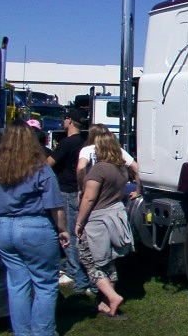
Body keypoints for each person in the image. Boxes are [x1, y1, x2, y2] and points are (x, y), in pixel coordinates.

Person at [0, 120, 70, 336]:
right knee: (45, 284)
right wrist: (63, 230)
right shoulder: (40, 168)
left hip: (4, 227)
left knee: (17, 283)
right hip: (34, 225)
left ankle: (22, 331)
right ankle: (42, 332)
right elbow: (56, 206)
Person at [75, 131, 134, 317]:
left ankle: (112, 296)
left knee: (89, 260)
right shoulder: (121, 169)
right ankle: (106, 302)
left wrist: (79, 221)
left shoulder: (99, 169)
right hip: (114, 218)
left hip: (97, 221)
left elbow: (89, 198)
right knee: (108, 261)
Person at [47, 109, 91, 293]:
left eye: (64, 118)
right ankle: (77, 270)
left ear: (70, 121)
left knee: (69, 235)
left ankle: (77, 276)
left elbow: (48, 163)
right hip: (79, 190)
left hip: (66, 190)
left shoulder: (66, 143)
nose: (63, 121)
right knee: (78, 233)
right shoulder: (84, 143)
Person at [76, 123, 141, 200]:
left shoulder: (87, 150)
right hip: (113, 193)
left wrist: (81, 187)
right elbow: (136, 168)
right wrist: (138, 191)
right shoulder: (118, 150)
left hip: (92, 190)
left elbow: (81, 168)